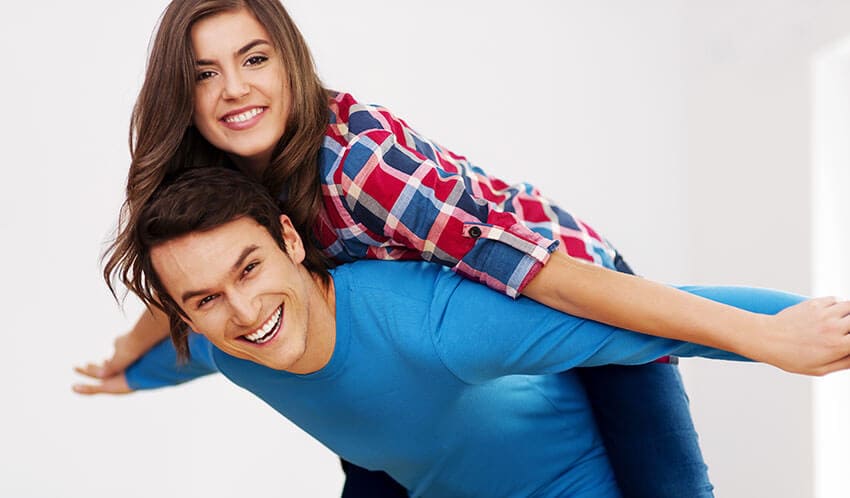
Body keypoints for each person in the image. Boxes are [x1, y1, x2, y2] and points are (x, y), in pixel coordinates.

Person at [92, 1, 850, 496]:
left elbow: (544, 280)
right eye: (204, 74)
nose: (233, 88)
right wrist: (133, 349)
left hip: (565, 279)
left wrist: (771, 336)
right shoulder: (208, 183)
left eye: (253, 59)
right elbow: (190, 282)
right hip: (403, 363)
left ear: (289, 60)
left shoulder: (364, 170)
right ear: (181, 94)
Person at [76, 167, 850, 498]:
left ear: (288, 236)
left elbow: (650, 310)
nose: (242, 313)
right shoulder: (229, 346)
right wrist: (129, 375)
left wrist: (788, 333)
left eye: (248, 270)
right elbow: (198, 359)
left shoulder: (434, 323)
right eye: (205, 299)